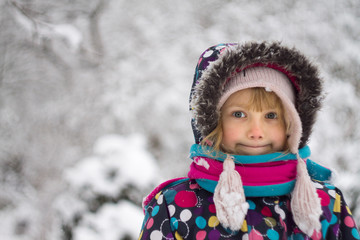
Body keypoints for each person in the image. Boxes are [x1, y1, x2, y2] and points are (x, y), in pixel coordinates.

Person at [138, 42, 360, 239]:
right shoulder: (176, 206)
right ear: (212, 121)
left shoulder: (326, 203)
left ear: (292, 123)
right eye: (239, 114)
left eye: (271, 116)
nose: (256, 131)